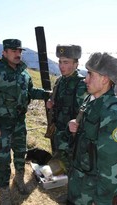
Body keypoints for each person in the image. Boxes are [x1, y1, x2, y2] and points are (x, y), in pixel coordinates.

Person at [0, 39, 51, 205]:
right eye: (14, 51)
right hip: (0, 124)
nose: (18, 54)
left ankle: (18, 179)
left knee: (20, 153)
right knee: (3, 161)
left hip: (19, 122)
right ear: (5, 52)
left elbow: (30, 91)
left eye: (20, 51)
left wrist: (49, 94)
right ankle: (4, 193)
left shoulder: (23, 73)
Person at [67, 52, 117, 205]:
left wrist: (101, 201)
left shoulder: (115, 116)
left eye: (90, 75)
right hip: (79, 185)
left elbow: (111, 169)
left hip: (92, 195)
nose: (86, 79)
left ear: (104, 79)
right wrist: (75, 126)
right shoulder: (91, 101)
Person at [46, 44, 87, 173]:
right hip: (58, 131)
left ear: (76, 64)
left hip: (71, 136)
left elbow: (84, 112)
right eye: (60, 62)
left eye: (66, 62)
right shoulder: (60, 81)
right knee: (59, 161)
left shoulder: (82, 84)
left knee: (70, 165)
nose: (61, 66)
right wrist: (51, 101)